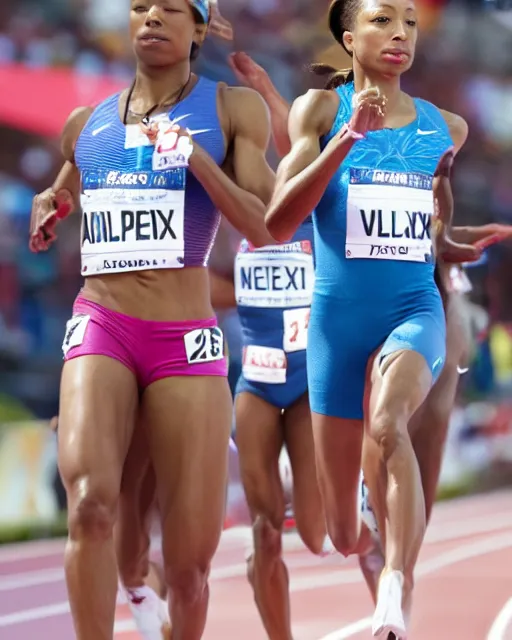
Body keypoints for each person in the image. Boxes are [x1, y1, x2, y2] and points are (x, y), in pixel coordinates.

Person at [29, 1, 276, 639]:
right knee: (88, 506)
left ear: (199, 27)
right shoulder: (87, 125)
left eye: (170, 8)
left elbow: (266, 223)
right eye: (140, 6)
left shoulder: (229, 110)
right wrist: (51, 204)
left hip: (184, 341)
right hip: (102, 325)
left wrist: (196, 159)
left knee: (190, 563)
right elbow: (67, 188)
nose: (151, 17)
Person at [263, 0, 482, 635]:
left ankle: (396, 589)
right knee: (339, 533)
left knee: (390, 424)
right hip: (335, 322)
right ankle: (360, 509)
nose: (400, 34)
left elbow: (424, 219)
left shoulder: (449, 128)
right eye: (383, 20)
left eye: (410, 22)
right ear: (348, 35)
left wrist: (446, 241)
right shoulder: (320, 111)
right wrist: (348, 139)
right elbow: (278, 223)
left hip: (414, 308)